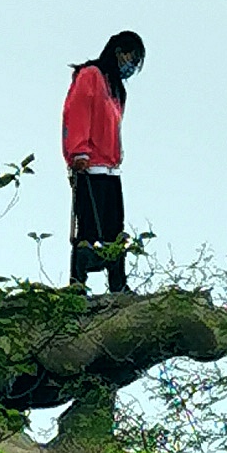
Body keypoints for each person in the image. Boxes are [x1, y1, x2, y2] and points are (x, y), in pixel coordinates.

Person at [62, 30, 142, 293]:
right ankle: (77, 285)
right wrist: (78, 153)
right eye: (130, 57)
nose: (130, 65)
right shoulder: (90, 76)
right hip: (89, 165)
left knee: (114, 229)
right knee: (88, 227)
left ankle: (118, 284)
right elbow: (78, 112)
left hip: (110, 169)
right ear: (118, 52)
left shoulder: (117, 91)